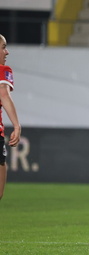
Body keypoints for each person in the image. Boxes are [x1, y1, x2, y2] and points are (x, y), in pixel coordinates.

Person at [0, 34, 21, 201]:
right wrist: (16, 125)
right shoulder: (3, 70)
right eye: (3, 47)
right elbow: (4, 95)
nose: (7, 52)